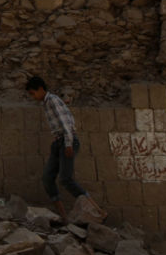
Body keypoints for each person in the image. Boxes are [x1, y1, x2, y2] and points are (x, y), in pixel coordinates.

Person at [25, 75, 106, 220]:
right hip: (58, 142)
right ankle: (64, 217)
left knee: (66, 179)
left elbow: (66, 123)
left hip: (66, 141)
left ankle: (97, 211)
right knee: (47, 178)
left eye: (33, 93)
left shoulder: (52, 100)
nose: (33, 97)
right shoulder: (46, 103)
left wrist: (68, 144)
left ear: (41, 89)